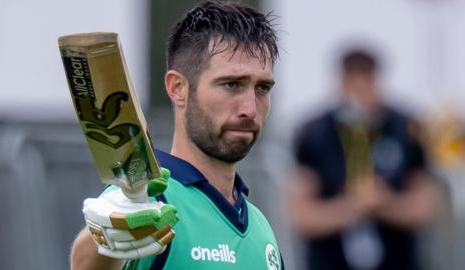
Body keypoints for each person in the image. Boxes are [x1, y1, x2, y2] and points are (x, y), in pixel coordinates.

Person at [70, 1, 284, 270]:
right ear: (178, 88)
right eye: (231, 84)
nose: (250, 108)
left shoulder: (261, 229)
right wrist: (101, 238)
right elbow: (87, 261)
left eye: (262, 88)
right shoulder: (145, 200)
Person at [288, 48, 437, 270]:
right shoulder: (314, 131)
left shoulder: (406, 127)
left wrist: (384, 203)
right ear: (340, 83)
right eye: (352, 85)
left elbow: (424, 208)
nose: (359, 95)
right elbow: (301, 215)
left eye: (365, 85)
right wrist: (351, 206)